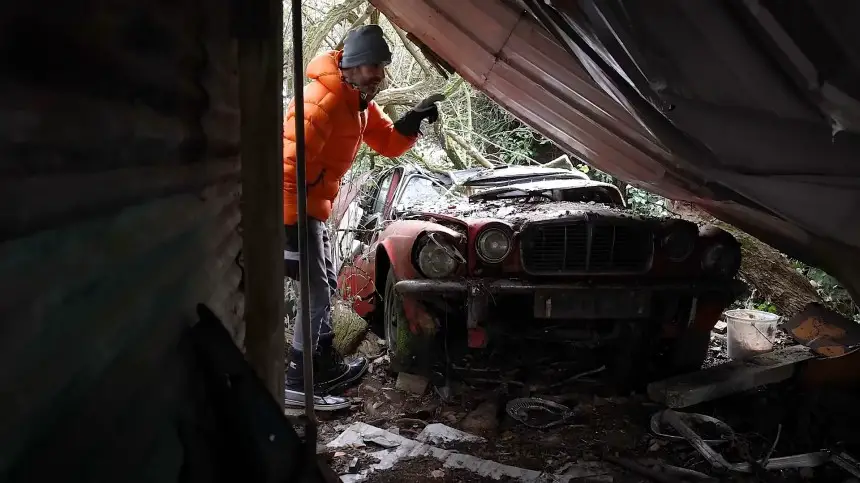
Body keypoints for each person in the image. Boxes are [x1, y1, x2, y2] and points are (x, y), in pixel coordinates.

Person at [282, 24, 443, 410]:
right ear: (350, 66)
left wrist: (412, 120)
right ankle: (297, 381)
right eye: (372, 66)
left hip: (312, 209)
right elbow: (283, 170)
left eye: (382, 67)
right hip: (291, 211)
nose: (379, 76)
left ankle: (321, 365)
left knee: (325, 285)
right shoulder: (320, 102)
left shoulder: (358, 104)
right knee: (315, 293)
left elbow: (387, 143)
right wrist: (288, 227)